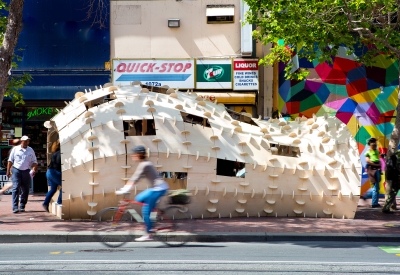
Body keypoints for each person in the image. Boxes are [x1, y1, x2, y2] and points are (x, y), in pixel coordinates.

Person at [116, 145, 169, 241]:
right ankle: (152, 214)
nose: (132, 156)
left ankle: (149, 233)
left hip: (159, 188)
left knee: (145, 210)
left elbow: (135, 178)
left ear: (139, 154)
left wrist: (125, 189)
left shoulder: (145, 164)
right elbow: (136, 178)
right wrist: (126, 188)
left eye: (134, 154)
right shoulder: (144, 164)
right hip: (157, 188)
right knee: (139, 199)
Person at [6, 135, 38, 213]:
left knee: (25, 189)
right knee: (16, 188)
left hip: (26, 171)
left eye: (28, 141)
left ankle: (22, 205)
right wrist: (8, 171)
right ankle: (15, 207)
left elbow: (34, 161)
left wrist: (34, 168)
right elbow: (10, 161)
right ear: (22, 141)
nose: (27, 142)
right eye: (26, 141)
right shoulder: (15, 149)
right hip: (16, 170)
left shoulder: (30, 150)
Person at [42, 140, 62, 212]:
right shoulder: (60, 153)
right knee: (65, 186)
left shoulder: (54, 153)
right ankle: (59, 202)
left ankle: (45, 203)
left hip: (49, 172)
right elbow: (59, 163)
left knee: (53, 189)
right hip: (55, 172)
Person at [364, 138, 382, 208]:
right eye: (372, 142)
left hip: (377, 169)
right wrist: (376, 165)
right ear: (369, 143)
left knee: (377, 187)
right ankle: (374, 203)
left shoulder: (377, 151)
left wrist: (379, 164)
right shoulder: (368, 152)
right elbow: (367, 161)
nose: (374, 143)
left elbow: (378, 157)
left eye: (374, 142)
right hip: (372, 169)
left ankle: (374, 201)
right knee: (375, 187)